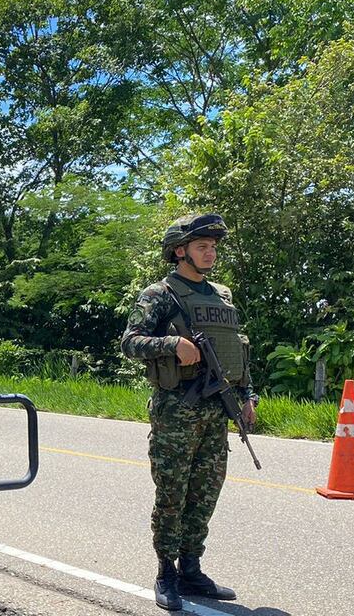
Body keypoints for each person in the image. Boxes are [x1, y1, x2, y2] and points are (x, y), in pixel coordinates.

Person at [120, 213, 258, 611]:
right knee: (172, 493)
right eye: (202, 246)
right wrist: (170, 344)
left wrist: (247, 395)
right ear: (180, 251)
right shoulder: (159, 293)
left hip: (218, 409)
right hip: (176, 410)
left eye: (213, 247)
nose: (211, 252)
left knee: (205, 493)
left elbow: (236, 350)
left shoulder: (222, 295)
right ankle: (166, 571)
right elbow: (129, 342)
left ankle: (192, 569)